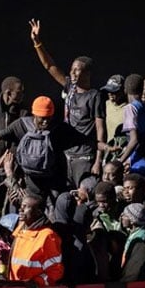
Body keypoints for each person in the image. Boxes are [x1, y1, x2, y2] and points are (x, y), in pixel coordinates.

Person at [0, 96, 98, 208]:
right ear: (34, 114)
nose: (45, 121)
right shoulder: (21, 125)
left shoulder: (60, 128)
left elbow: (86, 141)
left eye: (48, 117)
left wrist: (103, 151)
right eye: (42, 118)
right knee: (29, 211)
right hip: (30, 182)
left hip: (54, 182)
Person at [29, 19, 106, 185]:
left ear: (87, 74)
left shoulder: (94, 96)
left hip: (84, 155)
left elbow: (100, 128)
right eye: (72, 69)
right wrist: (37, 43)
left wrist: (98, 160)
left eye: (77, 70)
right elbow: (49, 66)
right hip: (66, 153)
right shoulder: (69, 87)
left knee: (83, 193)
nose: (73, 73)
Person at [9, 194, 64, 286]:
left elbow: (56, 271)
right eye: (21, 206)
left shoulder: (47, 236)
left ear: (38, 212)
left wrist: (36, 283)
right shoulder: (21, 230)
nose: (20, 210)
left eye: (26, 207)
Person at [117, 74, 145, 180]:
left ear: (125, 89)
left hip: (138, 164)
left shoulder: (130, 108)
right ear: (142, 90)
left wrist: (119, 162)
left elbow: (134, 140)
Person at [119, 203, 145, 282]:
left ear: (132, 220)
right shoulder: (134, 234)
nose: (121, 216)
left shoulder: (141, 240)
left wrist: (124, 284)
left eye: (125, 215)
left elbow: (134, 270)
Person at [101, 74, 127, 142]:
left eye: (114, 91)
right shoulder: (106, 105)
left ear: (123, 91)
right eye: (108, 90)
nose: (110, 94)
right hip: (107, 149)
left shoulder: (129, 109)